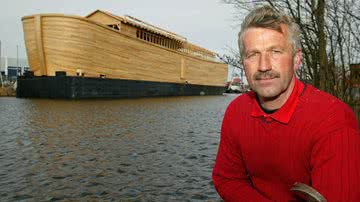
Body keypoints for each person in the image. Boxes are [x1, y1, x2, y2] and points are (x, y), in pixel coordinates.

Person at [212, 5, 360, 202]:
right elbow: (227, 178)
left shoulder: (333, 121)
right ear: (243, 62)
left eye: (275, 52)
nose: (264, 66)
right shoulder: (237, 111)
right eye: (253, 54)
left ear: (296, 60)